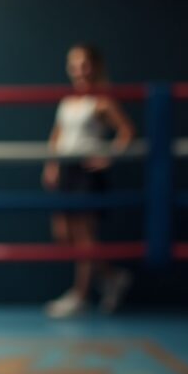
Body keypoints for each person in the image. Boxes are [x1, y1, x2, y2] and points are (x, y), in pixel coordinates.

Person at [42, 44, 135, 318]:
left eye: (84, 64)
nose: (79, 70)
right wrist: (51, 164)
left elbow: (127, 131)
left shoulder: (102, 100)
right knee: (64, 234)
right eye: (74, 64)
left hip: (86, 172)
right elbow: (56, 135)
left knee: (84, 236)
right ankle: (112, 277)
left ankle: (80, 296)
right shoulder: (67, 101)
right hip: (66, 171)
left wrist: (109, 156)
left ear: (94, 67)